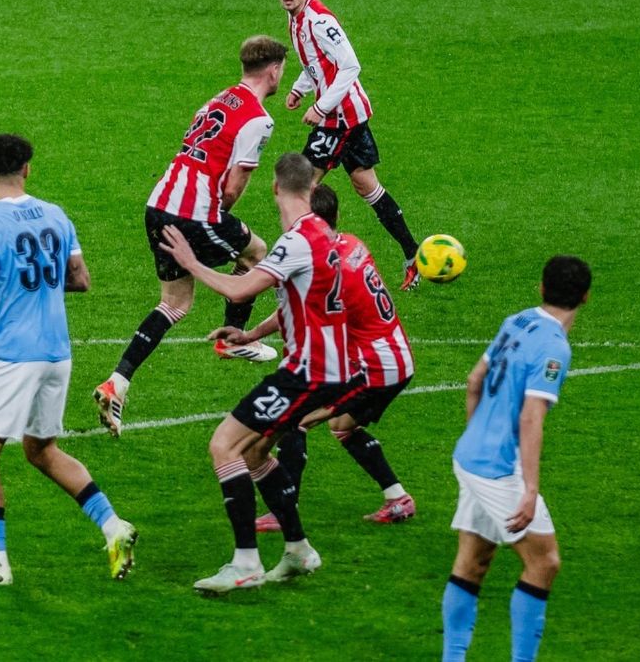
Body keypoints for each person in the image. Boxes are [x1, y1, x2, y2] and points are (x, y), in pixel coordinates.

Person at [0, 134, 137, 586]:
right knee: (41, 450)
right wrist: (36, 284)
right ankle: (114, 526)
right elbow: (80, 280)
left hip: (13, 356)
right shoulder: (57, 216)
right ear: (28, 169)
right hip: (57, 353)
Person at [160, 153, 364, 594]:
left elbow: (240, 286)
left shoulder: (295, 242)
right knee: (253, 454)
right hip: (330, 368)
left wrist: (192, 263)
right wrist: (249, 332)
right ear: (311, 189)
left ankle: (245, 562)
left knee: (224, 445)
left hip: (306, 371)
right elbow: (301, 299)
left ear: (275, 189)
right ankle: (298, 550)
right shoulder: (327, 235)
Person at [94, 35, 289, 437]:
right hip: (192, 213)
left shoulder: (220, 98)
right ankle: (233, 339)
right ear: (274, 69)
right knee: (256, 254)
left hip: (158, 203)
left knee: (175, 303)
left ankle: (117, 383)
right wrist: (217, 219)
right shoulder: (259, 119)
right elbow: (233, 187)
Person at [212, 185, 415, 531]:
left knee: (297, 418)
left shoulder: (326, 265)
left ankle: (283, 509)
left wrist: (250, 334)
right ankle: (398, 498)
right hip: (396, 356)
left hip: (375, 367)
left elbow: (296, 311)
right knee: (342, 425)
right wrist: (251, 336)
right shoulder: (352, 245)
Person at [442, 256, 591, 662]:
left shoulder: (519, 319)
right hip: (497, 471)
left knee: (474, 561)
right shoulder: (554, 348)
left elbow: (474, 381)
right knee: (545, 563)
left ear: (541, 288)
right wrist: (529, 490)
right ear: (585, 297)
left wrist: (476, 436)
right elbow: (531, 416)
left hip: (470, 456)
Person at [274, 0, 422, 291]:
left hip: (338, 120)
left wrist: (320, 106)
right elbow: (318, 62)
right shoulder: (295, 17)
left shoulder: (319, 20)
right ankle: (413, 255)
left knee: (297, 190)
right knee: (366, 185)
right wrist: (301, 87)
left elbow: (350, 64)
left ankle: (301, 270)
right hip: (348, 118)